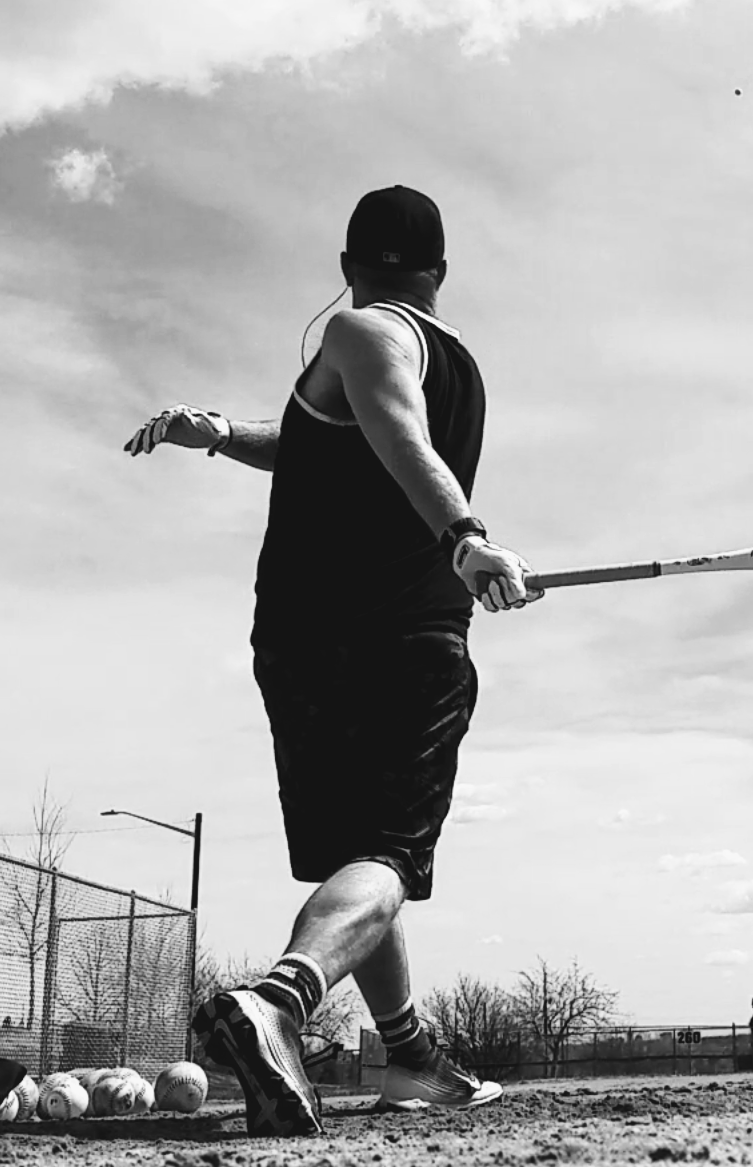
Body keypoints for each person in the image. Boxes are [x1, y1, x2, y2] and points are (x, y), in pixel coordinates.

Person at [124, 184, 540, 1136]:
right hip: (403, 637)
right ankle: (282, 996)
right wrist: (466, 540)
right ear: (439, 273)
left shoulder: (354, 333)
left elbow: (377, 433)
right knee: (389, 855)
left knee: (358, 856)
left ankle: (407, 1057)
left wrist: (462, 535)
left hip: (301, 643)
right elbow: (388, 435)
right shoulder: (418, 345)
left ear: (349, 266)